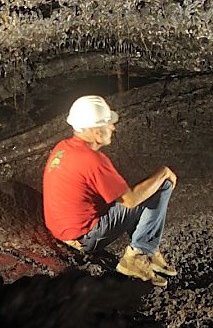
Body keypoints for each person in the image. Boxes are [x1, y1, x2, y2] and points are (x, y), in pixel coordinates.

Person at [41, 94, 180, 286]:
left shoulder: (63, 148)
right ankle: (137, 256)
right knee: (160, 185)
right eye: (108, 124)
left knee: (141, 188)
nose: (113, 128)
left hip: (63, 231)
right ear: (95, 131)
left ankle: (148, 247)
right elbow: (130, 201)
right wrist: (163, 172)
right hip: (85, 237)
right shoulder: (93, 161)